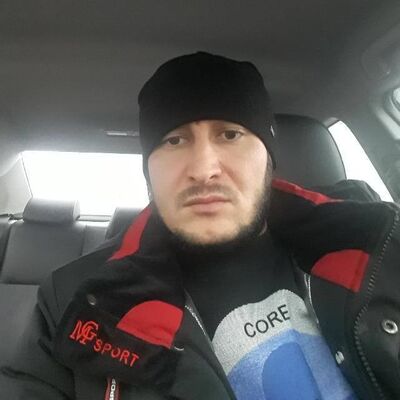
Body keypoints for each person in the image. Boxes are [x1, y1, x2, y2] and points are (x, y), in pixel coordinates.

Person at [1, 51, 399, 400]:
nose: (204, 170)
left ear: (268, 156)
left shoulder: (380, 244)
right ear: (148, 169)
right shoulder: (79, 304)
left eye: (230, 134)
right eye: (174, 140)